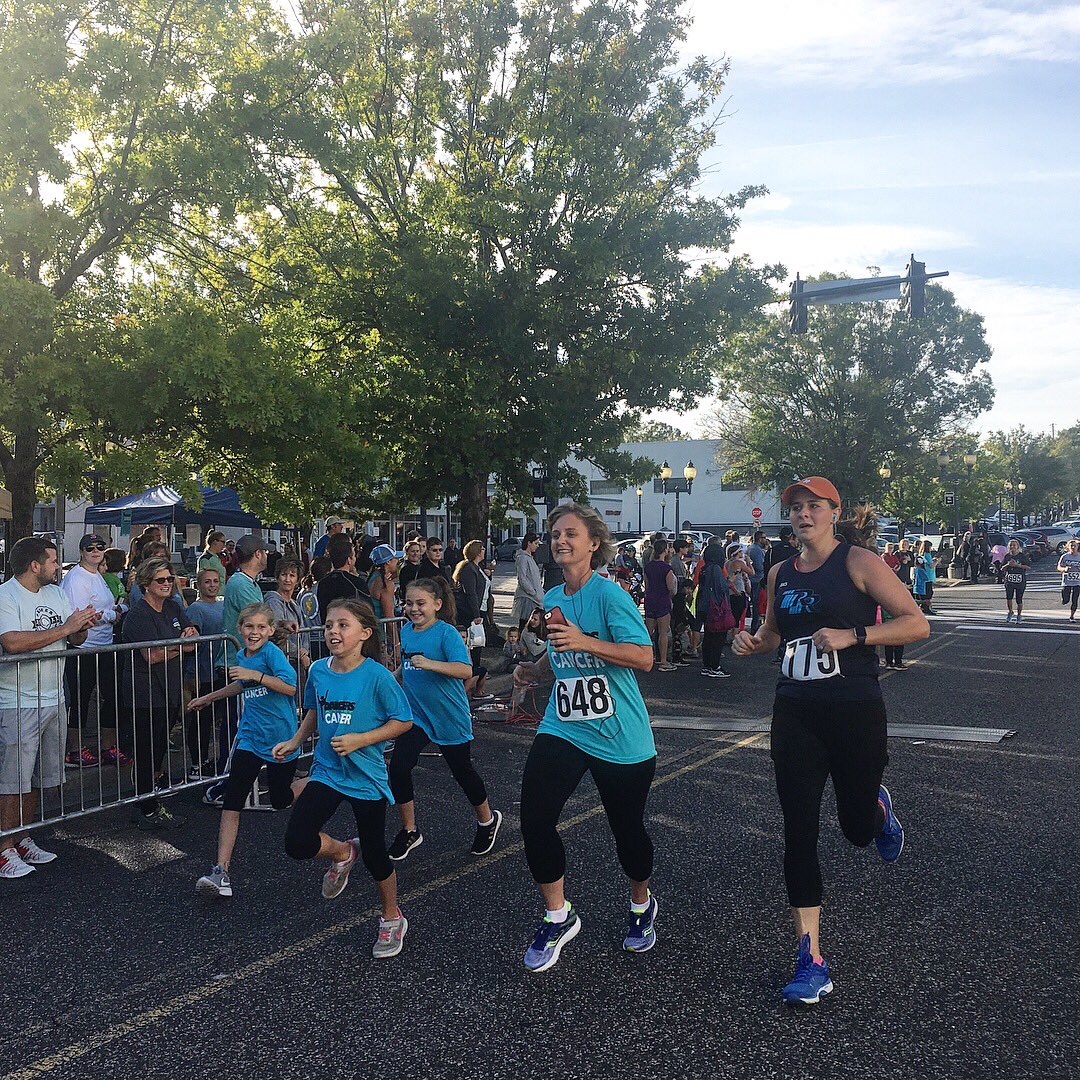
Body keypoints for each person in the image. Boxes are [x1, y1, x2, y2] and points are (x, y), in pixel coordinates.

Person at [732, 478, 929, 1006]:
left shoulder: (859, 563)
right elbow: (775, 633)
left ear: (833, 512)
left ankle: (877, 810)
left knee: (855, 830)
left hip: (854, 711)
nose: (802, 515)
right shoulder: (779, 571)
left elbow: (917, 624)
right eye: (795, 508)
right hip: (795, 711)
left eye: (813, 506)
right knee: (798, 829)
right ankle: (810, 957)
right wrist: (753, 642)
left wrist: (855, 636)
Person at [512, 503, 658, 972]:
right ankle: (559, 916)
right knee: (534, 818)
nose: (560, 541)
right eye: (555, 534)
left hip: (620, 736)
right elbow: (562, 652)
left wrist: (585, 641)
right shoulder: (552, 596)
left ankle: (641, 906)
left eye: (570, 534)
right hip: (565, 726)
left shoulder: (609, 595)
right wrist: (533, 670)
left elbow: (644, 658)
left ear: (593, 544)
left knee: (627, 833)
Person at [275, 598, 413, 959]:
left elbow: (403, 721)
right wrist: (294, 741)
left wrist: (361, 740)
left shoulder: (377, 676)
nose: (333, 631)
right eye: (329, 625)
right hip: (327, 771)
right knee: (297, 841)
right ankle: (342, 851)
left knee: (377, 857)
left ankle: (391, 917)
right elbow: (312, 712)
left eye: (342, 625)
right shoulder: (319, 670)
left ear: (364, 633)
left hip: (366, 776)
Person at [0, 538, 98, 878]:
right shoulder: (6, 595)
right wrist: (66, 627)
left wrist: (82, 626)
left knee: (39, 777)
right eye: (54, 561)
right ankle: (3, 847)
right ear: (35, 565)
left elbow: (73, 639)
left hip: (54, 696)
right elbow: (11, 642)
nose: (59, 567)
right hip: (17, 700)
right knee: (13, 779)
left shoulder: (56, 594)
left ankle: (22, 837)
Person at [386, 576, 502, 862]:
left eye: (421, 603)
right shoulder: (407, 631)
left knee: (462, 772)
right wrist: (391, 679)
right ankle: (410, 830)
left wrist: (430, 664)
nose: (414, 609)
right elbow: (407, 665)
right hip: (417, 716)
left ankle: (487, 820)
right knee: (399, 767)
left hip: (448, 715)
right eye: (409, 603)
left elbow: (465, 670)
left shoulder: (446, 633)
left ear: (437, 605)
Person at [191, 603, 299, 898]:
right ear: (239, 629)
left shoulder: (272, 655)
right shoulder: (241, 655)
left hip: (281, 738)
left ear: (270, 630)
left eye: (261, 627)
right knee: (233, 800)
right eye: (249, 627)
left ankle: (319, 780)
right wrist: (208, 697)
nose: (254, 632)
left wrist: (257, 676)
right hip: (251, 737)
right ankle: (221, 871)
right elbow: (240, 686)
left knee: (280, 799)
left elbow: (290, 687)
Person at [122, 556, 200, 830]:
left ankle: (149, 800)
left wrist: (189, 634)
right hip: (145, 691)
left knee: (158, 750)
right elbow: (152, 655)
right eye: (161, 580)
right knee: (147, 750)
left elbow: (192, 637)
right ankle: (145, 805)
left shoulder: (173, 607)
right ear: (146, 584)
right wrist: (181, 645)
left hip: (169, 689)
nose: (168, 584)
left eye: (170, 579)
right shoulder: (138, 614)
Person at [60, 534, 127, 769]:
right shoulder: (76, 579)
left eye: (100, 547)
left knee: (111, 696)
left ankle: (108, 746)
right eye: (90, 548)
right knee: (80, 699)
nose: (96, 551)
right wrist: (112, 615)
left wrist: (115, 609)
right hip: (83, 648)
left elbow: (105, 606)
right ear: (81, 552)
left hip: (105, 645)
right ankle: (75, 750)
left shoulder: (96, 575)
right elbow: (82, 614)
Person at [184, 567, 232, 779]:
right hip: (203, 670)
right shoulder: (196, 608)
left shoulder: (223, 605)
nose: (212, 585)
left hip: (222, 670)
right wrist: (191, 674)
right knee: (201, 719)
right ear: (199, 585)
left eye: (215, 581)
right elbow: (192, 643)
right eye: (207, 582)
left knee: (220, 718)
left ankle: (220, 761)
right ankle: (198, 763)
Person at [265, 558, 310, 672]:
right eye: (284, 574)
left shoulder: (295, 604)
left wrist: (305, 650)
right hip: (282, 661)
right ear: (277, 577)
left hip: (297, 660)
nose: (287, 579)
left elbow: (304, 631)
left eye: (292, 575)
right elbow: (277, 633)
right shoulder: (273, 601)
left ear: (298, 579)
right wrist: (300, 653)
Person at [316, 534, 373, 623]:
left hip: (330, 627)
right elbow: (368, 610)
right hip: (351, 628)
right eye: (354, 556)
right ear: (349, 560)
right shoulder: (356, 582)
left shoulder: (323, 582)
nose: (355, 559)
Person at [696, 544, 732, 679]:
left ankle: (707, 665)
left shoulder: (704, 568)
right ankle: (715, 666)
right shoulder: (716, 569)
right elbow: (721, 587)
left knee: (708, 637)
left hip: (705, 605)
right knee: (718, 638)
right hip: (716, 607)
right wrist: (729, 581)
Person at [643, 538, 677, 671]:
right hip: (662, 600)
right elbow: (670, 587)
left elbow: (646, 586)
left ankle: (646, 657)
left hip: (650, 600)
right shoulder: (667, 568)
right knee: (663, 632)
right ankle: (663, 661)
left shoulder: (648, 566)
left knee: (648, 632)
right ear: (665, 550)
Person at [367, 544, 404, 663]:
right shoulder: (385, 584)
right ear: (387, 562)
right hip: (381, 637)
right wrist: (397, 645)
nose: (397, 561)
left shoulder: (373, 578)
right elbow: (390, 618)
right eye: (395, 559)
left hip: (372, 633)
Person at [511, 534, 544, 629]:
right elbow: (522, 578)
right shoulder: (522, 558)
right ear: (529, 543)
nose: (537, 546)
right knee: (526, 624)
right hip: (528, 597)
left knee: (532, 624)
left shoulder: (529, 558)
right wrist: (533, 592)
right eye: (536, 543)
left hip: (534, 596)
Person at [1001, 539, 1031, 624]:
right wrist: (1008, 564)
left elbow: (1028, 567)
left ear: (1017, 546)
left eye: (1014, 545)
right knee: (1009, 597)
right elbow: (1002, 568)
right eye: (1011, 545)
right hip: (1009, 580)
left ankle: (1019, 615)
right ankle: (1010, 611)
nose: (1012, 547)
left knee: (1019, 599)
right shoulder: (1007, 556)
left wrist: (1017, 565)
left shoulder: (1022, 556)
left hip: (1020, 580)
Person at [746, 532, 768, 634]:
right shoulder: (756, 550)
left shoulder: (752, 548)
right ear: (759, 539)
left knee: (757, 604)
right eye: (764, 538)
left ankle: (756, 625)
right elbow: (759, 566)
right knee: (757, 604)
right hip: (757, 579)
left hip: (753, 579)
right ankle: (755, 627)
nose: (766, 540)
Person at [913, 540, 938, 615]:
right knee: (928, 593)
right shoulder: (927, 554)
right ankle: (925, 607)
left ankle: (925, 607)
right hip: (928, 575)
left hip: (925, 575)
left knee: (926, 592)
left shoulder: (922, 554)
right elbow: (931, 565)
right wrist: (937, 561)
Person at [1058, 538, 1080, 621]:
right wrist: (1064, 569)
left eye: (1075, 546)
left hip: (1077, 581)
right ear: (1068, 547)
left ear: (1078, 547)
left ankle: (1072, 616)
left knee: (1075, 598)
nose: (1073, 547)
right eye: (1071, 546)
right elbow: (1059, 567)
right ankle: (1064, 600)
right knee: (1066, 599)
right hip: (1067, 581)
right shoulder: (1065, 556)